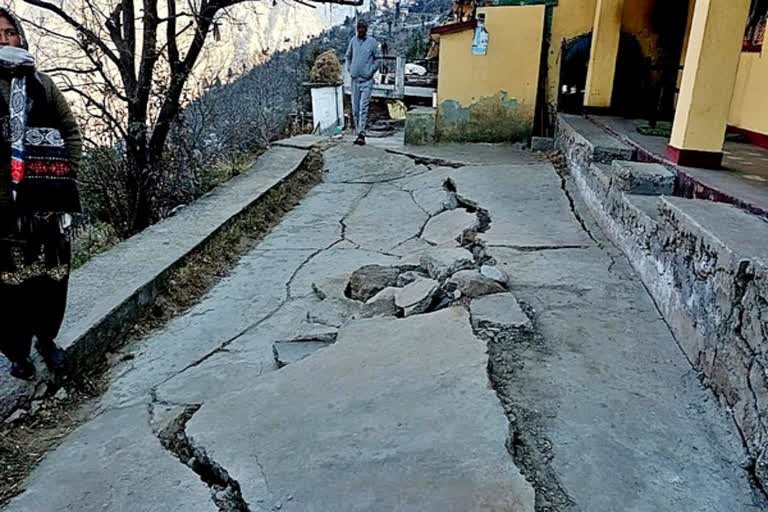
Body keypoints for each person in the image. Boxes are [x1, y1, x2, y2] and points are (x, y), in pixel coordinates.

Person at [0, 8, 82, 380]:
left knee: (51, 278)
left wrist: (65, 177)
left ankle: (47, 341)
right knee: (8, 285)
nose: (4, 40)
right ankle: (16, 352)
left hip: (48, 205)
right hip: (3, 210)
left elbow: (70, 130)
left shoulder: (41, 83)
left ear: (21, 36)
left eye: (9, 32)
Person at [345, 19, 381, 146]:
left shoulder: (372, 42)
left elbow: (378, 59)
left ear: (366, 29)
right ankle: (357, 133)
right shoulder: (353, 41)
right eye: (358, 28)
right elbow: (348, 56)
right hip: (354, 80)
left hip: (366, 80)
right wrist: (349, 69)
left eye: (362, 28)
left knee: (363, 107)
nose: (360, 30)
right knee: (355, 108)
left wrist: (370, 71)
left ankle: (362, 134)